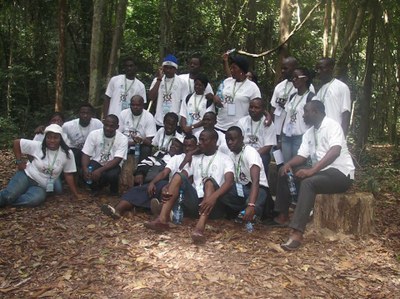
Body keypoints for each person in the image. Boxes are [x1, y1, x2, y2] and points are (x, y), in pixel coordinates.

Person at [269, 101, 354, 251]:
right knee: (285, 172)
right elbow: (302, 156)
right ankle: (282, 216)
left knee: (309, 182)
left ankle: (296, 233)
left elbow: (335, 151)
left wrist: (312, 171)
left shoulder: (332, 125)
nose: (303, 115)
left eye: (306, 111)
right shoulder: (309, 132)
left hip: (340, 173)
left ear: (316, 112)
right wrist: (288, 164)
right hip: (321, 172)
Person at [144, 129, 234, 243]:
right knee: (177, 176)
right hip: (195, 202)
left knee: (209, 182)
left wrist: (213, 198)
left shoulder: (225, 158)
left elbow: (229, 182)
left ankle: (199, 229)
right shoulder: (195, 158)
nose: (199, 143)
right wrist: (169, 185)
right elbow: (182, 175)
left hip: (214, 205)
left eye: (203, 140)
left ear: (214, 141)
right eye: (199, 139)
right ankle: (162, 220)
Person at [100, 136, 197, 219]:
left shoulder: (196, 159)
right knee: (147, 188)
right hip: (167, 188)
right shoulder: (176, 158)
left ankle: (163, 211)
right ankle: (117, 210)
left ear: (195, 147)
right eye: (185, 145)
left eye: (190, 146)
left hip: (182, 193)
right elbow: (164, 173)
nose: (187, 148)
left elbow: (186, 178)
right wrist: (152, 183)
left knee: (164, 188)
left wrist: (168, 186)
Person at [0, 124, 79, 208]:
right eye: (49, 137)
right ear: (45, 138)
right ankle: (9, 198)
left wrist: (75, 194)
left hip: (41, 186)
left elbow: (68, 174)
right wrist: (19, 162)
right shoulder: (38, 146)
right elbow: (17, 143)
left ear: (60, 139)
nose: (52, 140)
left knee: (32, 200)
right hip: (27, 176)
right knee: (9, 195)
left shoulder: (67, 153)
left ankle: (10, 201)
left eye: (55, 138)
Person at [220, 126, 269, 222]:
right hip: (242, 189)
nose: (229, 142)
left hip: (258, 188)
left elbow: (256, 181)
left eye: (233, 139)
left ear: (242, 139)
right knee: (221, 190)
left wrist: (251, 205)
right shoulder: (230, 155)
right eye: (227, 139)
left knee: (254, 199)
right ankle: (240, 212)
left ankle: (252, 212)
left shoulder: (250, 152)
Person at [81, 115, 128, 195]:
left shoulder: (123, 139)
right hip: (97, 161)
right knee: (90, 171)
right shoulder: (94, 134)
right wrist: (85, 169)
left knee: (111, 175)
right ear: (103, 123)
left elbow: (117, 159)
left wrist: (100, 170)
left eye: (111, 126)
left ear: (117, 127)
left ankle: (113, 190)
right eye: (106, 125)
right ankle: (95, 189)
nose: (108, 128)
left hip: (113, 164)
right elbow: (86, 153)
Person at [213, 55, 261, 132]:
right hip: (219, 126)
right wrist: (216, 99)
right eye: (231, 67)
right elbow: (218, 96)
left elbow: (258, 107)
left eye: (234, 68)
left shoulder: (252, 87)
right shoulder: (227, 81)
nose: (231, 70)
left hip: (239, 129)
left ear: (242, 70)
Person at [281, 67, 315, 163]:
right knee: (286, 165)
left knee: (297, 166)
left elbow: (313, 120)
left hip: (300, 137)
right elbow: (286, 115)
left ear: (305, 78)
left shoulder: (311, 97)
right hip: (286, 136)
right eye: (292, 77)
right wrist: (280, 137)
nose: (293, 80)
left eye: (296, 77)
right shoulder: (292, 96)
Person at [237, 98, 276, 175]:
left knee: (263, 160)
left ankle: (262, 185)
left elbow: (268, 147)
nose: (253, 110)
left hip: (261, 153)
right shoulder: (242, 121)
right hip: (244, 152)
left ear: (263, 109)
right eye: (251, 107)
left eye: (256, 107)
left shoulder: (268, 124)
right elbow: (238, 141)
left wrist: (253, 155)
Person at [313, 57, 351, 136]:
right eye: (317, 69)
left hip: (334, 133)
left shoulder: (341, 87)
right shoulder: (320, 90)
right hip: (320, 134)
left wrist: (342, 138)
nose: (318, 72)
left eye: (321, 68)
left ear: (330, 69)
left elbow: (346, 114)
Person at [148, 54, 186, 128]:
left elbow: (184, 103)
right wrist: (159, 79)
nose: (168, 70)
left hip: (174, 122)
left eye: (171, 68)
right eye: (166, 67)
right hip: (159, 121)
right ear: (162, 68)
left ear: (175, 69)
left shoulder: (182, 82)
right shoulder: (157, 80)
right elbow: (151, 97)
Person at [62, 103, 103, 168]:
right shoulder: (68, 126)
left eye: (88, 113)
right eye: (83, 113)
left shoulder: (97, 124)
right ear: (78, 114)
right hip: (75, 152)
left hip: (92, 153)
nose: (85, 115)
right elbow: (61, 140)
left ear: (92, 115)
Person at [119, 95, 156, 160]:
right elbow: (118, 134)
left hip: (141, 145)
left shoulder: (149, 117)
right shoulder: (123, 113)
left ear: (143, 106)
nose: (135, 107)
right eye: (133, 105)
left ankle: (140, 168)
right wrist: (125, 143)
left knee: (146, 149)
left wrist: (138, 141)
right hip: (124, 143)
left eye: (138, 105)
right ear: (130, 105)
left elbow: (149, 140)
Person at [270, 57, 299, 140]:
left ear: (295, 68)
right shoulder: (279, 86)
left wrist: (286, 105)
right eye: (282, 68)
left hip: (294, 132)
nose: (282, 71)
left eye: (285, 68)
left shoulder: (304, 87)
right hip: (277, 130)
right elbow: (273, 108)